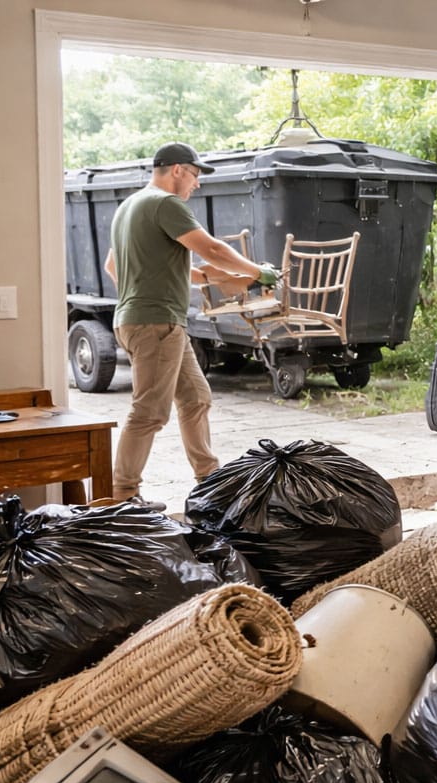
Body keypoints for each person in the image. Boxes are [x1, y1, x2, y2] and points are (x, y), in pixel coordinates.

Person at [102, 141, 278, 508]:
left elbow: (114, 268)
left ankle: (208, 480)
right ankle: (123, 494)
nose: (197, 184)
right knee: (149, 411)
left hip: (147, 320)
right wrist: (258, 271)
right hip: (156, 323)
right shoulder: (165, 204)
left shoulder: (129, 206)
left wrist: (200, 278)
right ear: (177, 170)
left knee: (196, 398)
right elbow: (211, 248)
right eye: (196, 175)